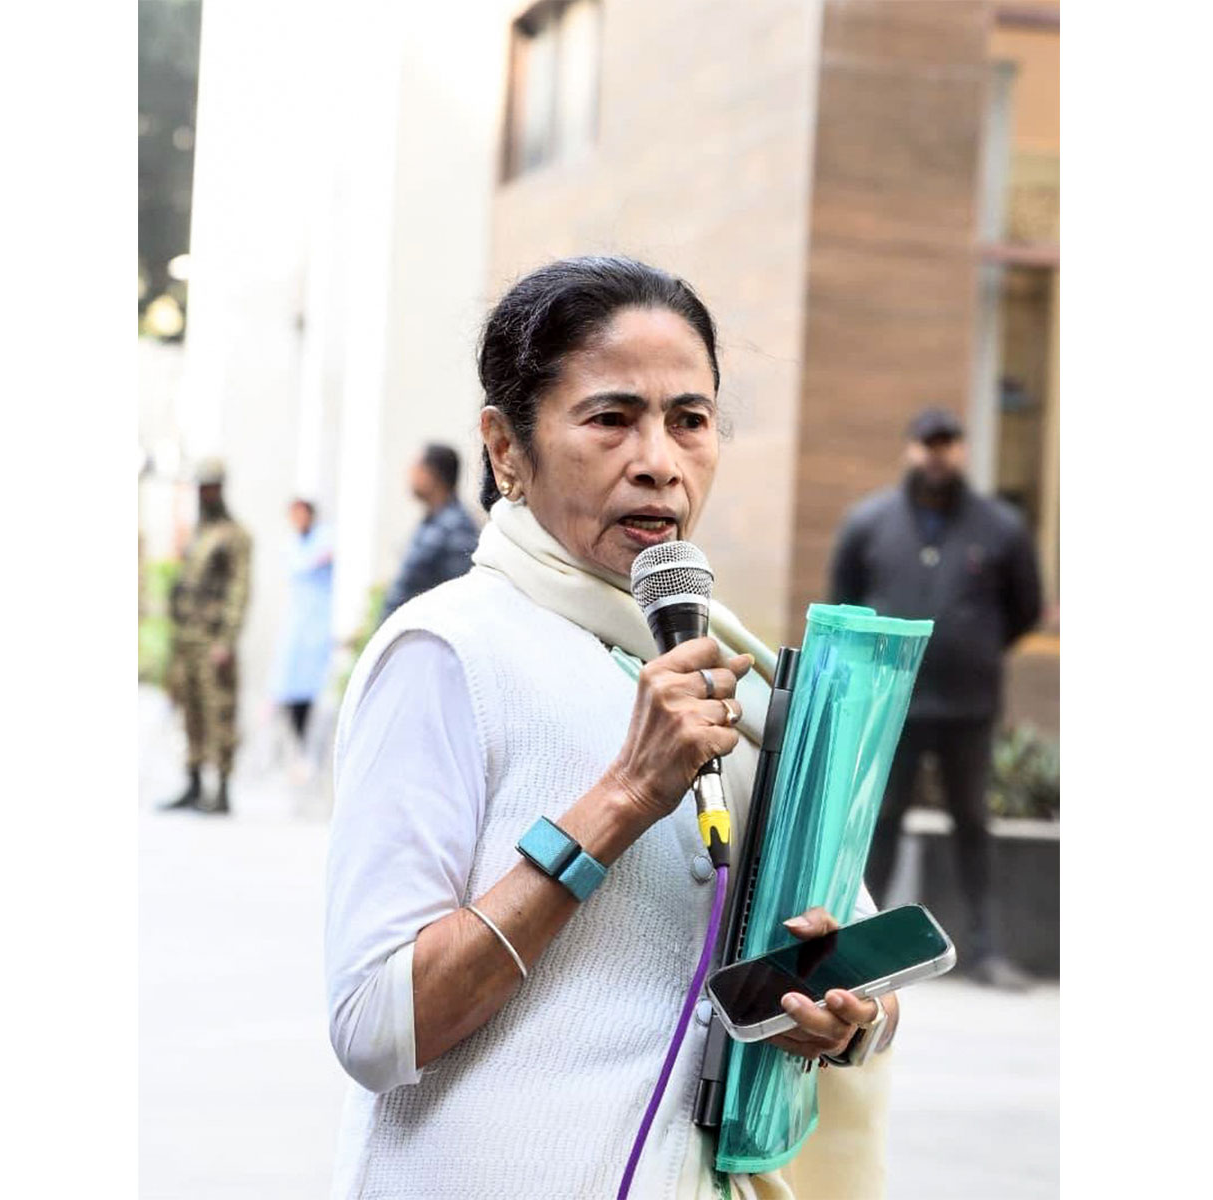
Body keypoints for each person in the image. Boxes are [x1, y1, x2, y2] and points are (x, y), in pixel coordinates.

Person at [325, 257, 900, 1199]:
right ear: (507, 448)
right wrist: (625, 798)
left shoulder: (735, 678)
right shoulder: (447, 653)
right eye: (610, 417)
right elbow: (375, 1026)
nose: (660, 461)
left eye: (690, 420)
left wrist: (842, 1015)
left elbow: (860, 968)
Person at [828, 407, 1043, 988]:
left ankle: (987, 950)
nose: (937, 455)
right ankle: (853, 947)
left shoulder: (999, 526)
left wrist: (974, 646)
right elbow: (847, 599)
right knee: (879, 822)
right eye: (927, 444)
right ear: (910, 449)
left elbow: (1025, 607)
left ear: (963, 451)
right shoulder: (870, 522)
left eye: (947, 444)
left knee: (973, 823)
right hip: (891, 705)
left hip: (968, 707)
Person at [162, 457, 252, 816]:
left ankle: (223, 788)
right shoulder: (199, 533)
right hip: (188, 639)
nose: (204, 493)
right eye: (201, 487)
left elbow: (239, 589)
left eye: (209, 486)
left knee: (220, 713)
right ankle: (195, 782)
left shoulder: (235, 536)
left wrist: (226, 640)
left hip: (214, 640)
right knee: (192, 711)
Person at [377, 443, 479, 622]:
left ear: (433, 475)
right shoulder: (431, 522)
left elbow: (457, 594)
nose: (410, 474)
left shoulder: (457, 528)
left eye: (417, 467)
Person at [271, 498, 335, 744]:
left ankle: (311, 744)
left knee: (315, 682)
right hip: (299, 618)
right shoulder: (291, 544)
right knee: (292, 681)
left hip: (320, 618)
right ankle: (300, 742)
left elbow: (322, 559)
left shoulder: (326, 537)